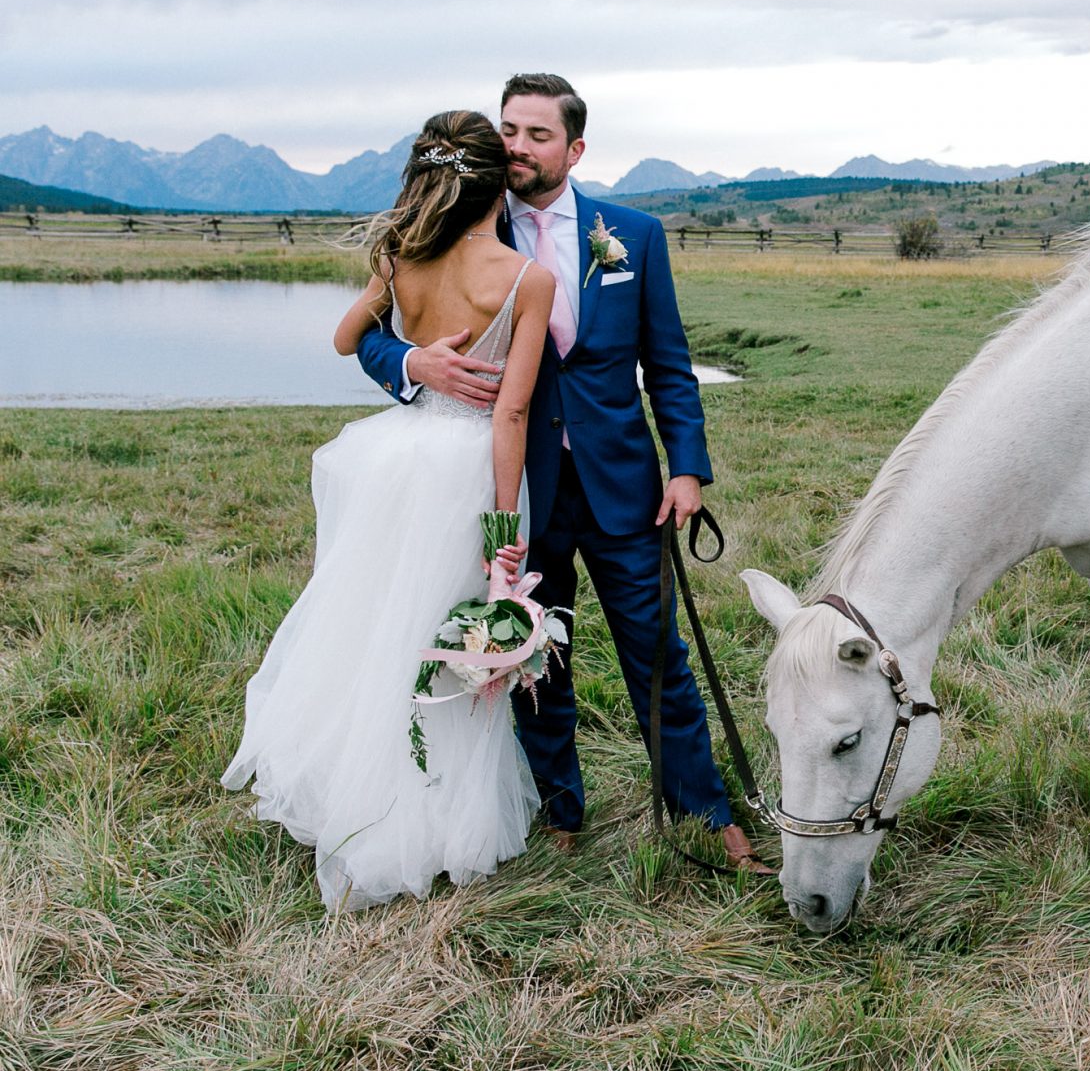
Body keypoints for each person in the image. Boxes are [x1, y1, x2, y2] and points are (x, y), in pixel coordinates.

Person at [356, 74, 766, 871]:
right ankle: (560, 812)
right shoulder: (461, 227)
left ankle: (708, 812)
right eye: (508, 129)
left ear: (575, 149)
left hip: (624, 486)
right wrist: (413, 362)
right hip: (516, 487)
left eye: (537, 135)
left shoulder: (635, 236)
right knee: (529, 659)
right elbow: (369, 332)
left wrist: (687, 469)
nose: (516, 146)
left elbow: (670, 366)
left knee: (660, 660)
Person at [224, 110, 555, 910]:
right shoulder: (523, 277)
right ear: (494, 182)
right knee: (443, 635)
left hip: (395, 456)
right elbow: (509, 416)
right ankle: (430, 819)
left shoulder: (399, 253)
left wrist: (410, 352)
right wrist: (504, 535)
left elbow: (345, 338)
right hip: (465, 468)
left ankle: (351, 788)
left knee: (379, 624)